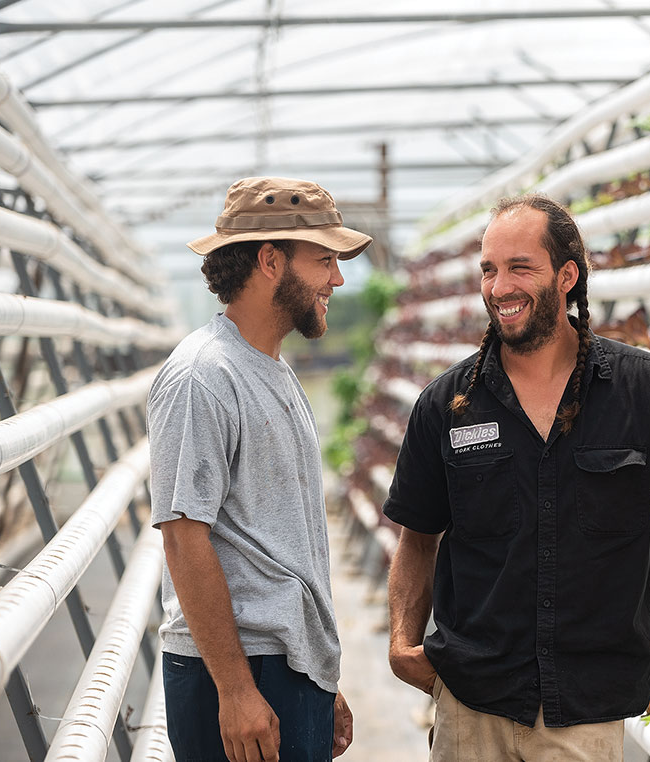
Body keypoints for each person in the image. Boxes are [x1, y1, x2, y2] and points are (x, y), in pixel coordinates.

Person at [383, 194, 650, 761]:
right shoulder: (448, 404)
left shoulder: (642, 389)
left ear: (567, 275)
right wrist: (401, 639)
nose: (499, 286)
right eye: (489, 269)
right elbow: (418, 535)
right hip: (471, 704)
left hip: (584, 710)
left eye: (519, 267)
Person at [148, 177, 371, 762]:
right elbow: (182, 535)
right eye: (324, 261)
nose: (338, 279)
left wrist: (317, 673)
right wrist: (237, 689)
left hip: (280, 667)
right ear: (271, 261)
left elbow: (277, 546)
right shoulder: (203, 376)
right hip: (240, 673)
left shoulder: (270, 370)